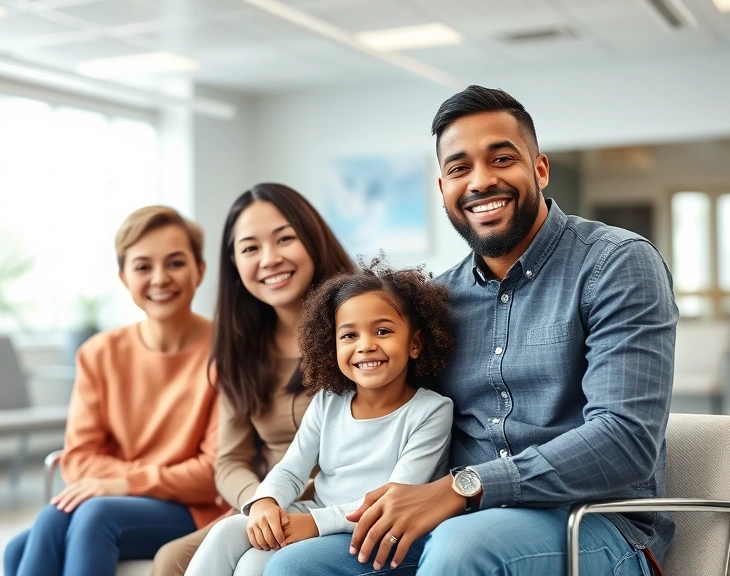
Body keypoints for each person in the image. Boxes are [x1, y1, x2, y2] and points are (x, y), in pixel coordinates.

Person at [263, 85, 678, 576]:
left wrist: (463, 487)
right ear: (443, 190)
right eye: (460, 169)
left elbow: (624, 440)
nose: (481, 181)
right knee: (296, 566)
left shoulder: (615, 263)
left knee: (463, 548)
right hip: (458, 521)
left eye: (502, 159)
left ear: (539, 169)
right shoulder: (439, 300)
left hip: (593, 525)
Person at [184, 257, 456, 575]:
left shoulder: (432, 411)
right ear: (333, 345)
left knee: (257, 565)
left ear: (415, 343)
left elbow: (394, 502)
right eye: (349, 336)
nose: (366, 346)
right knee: (230, 533)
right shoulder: (329, 401)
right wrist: (266, 502)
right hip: (317, 513)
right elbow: (291, 468)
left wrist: (313, 523)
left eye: (382, 331)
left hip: (374, 530)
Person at [2, 206, 229, 576]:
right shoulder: (99, 353)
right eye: (143, 267)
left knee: (94, 515)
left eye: (175, 263)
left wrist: (123, 481)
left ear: (200, 270)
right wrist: (131, 481)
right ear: (124, 278)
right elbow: (78, 458)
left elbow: (211, 473)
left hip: (196, 507)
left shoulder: (229, 352)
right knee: (26, 542)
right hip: (121, 501)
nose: (160, 279)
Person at [151, 183, 354, 575]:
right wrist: (261, 502)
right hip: (267, 505)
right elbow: (230, 461)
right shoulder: (241, 350)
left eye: (285, 239)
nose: (270, 259)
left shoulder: (360, 327)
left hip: (335, 508)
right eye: (250, 248)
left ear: (313, 239)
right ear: (234, 263)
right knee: (171, 560)